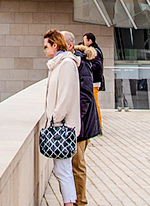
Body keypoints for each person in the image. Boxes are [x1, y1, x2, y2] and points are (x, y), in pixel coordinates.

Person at [42, 30, 80, 206]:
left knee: (63, 170)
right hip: (60, 125)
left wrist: (54, 118)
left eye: (46, 46)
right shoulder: (59, 63)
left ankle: (69, 203)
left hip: (63, 127)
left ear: (55, 45)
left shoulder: (66, 64)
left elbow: (65, 96)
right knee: (62, 170)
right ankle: (69, 202)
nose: (44, 50)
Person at [65, 32, 101, 206]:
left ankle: (81, 201)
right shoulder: (73, 62)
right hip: (79, 123)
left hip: (81, 125)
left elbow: (85, 96)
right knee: (73, 164)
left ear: (70, 45)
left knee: (77, 164)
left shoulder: (81, 64)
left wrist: (75, 121)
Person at [82, 33, 105, 126]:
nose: (83, 42)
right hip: (95, 81)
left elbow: (98, 65)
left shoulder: (94, 51)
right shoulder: (96, 50)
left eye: (85, 40)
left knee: (95, 104)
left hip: (94, 81)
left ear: (90, 41)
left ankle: (99, 126)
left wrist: (88, 67)